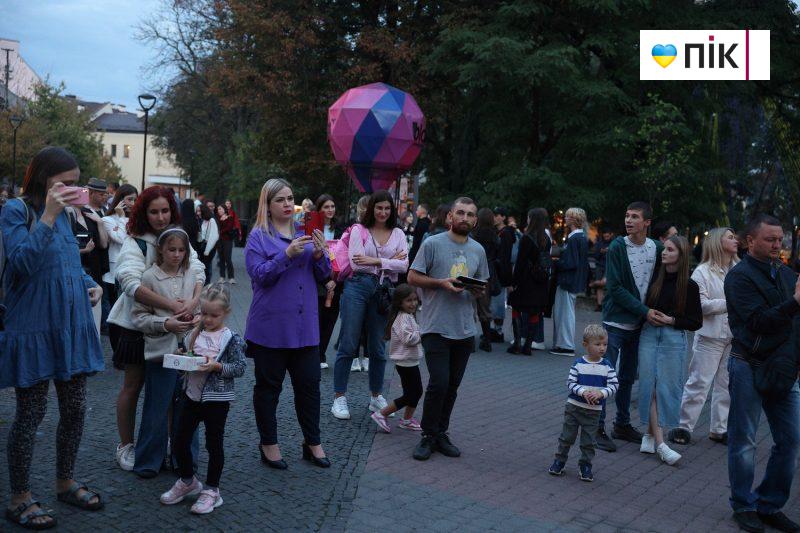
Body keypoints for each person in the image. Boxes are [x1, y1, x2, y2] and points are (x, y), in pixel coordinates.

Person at [1, 147, 104, 530]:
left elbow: (66, 263)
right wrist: (48, 214)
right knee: (30, 415)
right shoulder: (17, 211)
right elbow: (22, 264)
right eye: (67, 183)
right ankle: (19, 497)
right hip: (34, 328)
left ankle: (64, 482)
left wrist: (89, 283)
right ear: (44, 178)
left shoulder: (68, 217)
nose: (73, 190)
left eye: (76, 183)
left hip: (70, 326)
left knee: (75, 410)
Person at [107, 186, 205, 477]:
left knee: (174, 390)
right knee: (133, 386)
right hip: (136, 325)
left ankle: (174, 444)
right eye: (154, 211)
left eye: (164, 211)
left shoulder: (178, 236)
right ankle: (126, 445)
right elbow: (129, 283)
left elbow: (197, 269)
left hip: (175, 328)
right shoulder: (134, 242)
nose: (160, 217)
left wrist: (193, 300)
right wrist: (171, 306)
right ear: (143, 213)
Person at [245, 178, 331, 470]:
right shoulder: (258, 236)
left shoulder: (305, 233)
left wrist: (319, 254)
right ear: (267, 205)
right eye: (279, 199)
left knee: (309, 386)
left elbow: (324, 274)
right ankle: (268, 443)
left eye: (289, 198)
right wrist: (286, 255)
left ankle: (312, 442)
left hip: (305, 325)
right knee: (269, 387)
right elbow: (259, 276)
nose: (286, 204)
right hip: (271, 326)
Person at [724, 214, 800, 533]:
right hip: (747, 364)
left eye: (780, 239)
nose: (777, 244)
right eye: (770, 239)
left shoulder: (786, 273)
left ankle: (769, 503)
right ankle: (744, 505)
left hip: (782, 368)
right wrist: (795, 302)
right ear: (750, 242)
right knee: (744, 440)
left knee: (791, 439)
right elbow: (757, 322)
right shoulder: (739, 277)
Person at [408, 197, 489, 460]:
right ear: (450, 218)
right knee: (439, 383)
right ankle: (427, 436)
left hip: (465, 329)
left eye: (470, 214)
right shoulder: (432, 243)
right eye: (460, 213)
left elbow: (483, 286)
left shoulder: (478, 250)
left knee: (452, 385)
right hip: (436, 326)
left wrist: (478, 291)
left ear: (475, 221)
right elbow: (412, 276)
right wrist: (442, 283)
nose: (465, 218)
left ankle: (441, 433)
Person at [159, 282, 246, 515]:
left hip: (217, 400)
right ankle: (188, 481)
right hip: (191, 395)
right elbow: (187, 357)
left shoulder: (231, 338)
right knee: (179, 439)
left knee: (213, 443)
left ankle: (212, 490)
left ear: (226, 313)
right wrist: (179, 357)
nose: (208, 319)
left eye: (214, 315)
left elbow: (240, 367)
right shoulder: (194, 333)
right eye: (204, 313)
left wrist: (217, 366)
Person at [331, 190, 409, 420]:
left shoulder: (398, 233)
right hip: (357, 287)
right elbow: (357, 264)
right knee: (349, 342)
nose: (383, 212)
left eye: (387, 208)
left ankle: (376, 396)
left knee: (377, 347)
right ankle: (339, 398)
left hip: (383, 291)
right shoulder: (359, 230)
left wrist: (376, 261)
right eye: (379, 208)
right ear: (371, 209)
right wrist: (390, 261)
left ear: (392, 210)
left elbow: (404, 265)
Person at [596, 201, 663, 452]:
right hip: (615, 322)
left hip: (639, 326)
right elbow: (614, 288)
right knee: (605, 376)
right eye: (626, 215)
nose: (628, 220)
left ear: (647, 223)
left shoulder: (656, 248)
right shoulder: (617, 247)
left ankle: (621, 424)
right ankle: (597, 427)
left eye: (635, 216)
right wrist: (645, 311)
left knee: (626, 377)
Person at [669, 228, 738, 446]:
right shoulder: (702, 272)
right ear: (718, 242)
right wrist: (731, 304)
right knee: (699, 382)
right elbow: (700, 305)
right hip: (710, 336)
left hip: (733, 336)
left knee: (726, 385)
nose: (735, 240)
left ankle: (719, 429)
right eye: (730, 237)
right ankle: (683, 426)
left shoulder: (738, 269)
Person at [637, 235, 702, 466]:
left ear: (681, 256)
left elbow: (696, 322)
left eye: (670, 250)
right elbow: (642, 304)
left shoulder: (690, 286)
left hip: (674, 338)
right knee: (649, 384)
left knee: (665, 387)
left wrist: (672, 320)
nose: (664, 253)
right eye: (664, 249)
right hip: (649, 334)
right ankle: (661, 444)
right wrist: (649, 314)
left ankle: (650, 434)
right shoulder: (655, 277)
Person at [548, 325, 618, 482]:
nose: (602, 348)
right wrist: (583, 392)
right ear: (586, 345)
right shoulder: (578, 364)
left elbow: (614, 385)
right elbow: (570, 383)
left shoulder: (607, 366)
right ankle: (559, 460)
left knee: (589, 441)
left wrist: (601, 393)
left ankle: (585, 465)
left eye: (605, 344)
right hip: (574, 407)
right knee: (566, 437)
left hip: (594, 411)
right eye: (597, 344)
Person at [370, 284, 424, 433]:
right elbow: (408, 339)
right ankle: (382, 413)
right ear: (400, 302)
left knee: (416, 392)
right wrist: (423, 332)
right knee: (412, 393)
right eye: (409, 300)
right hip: (405, 362)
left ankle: (406, 420)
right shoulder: (402, 318)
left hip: (410, 360)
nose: (413, 303)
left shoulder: (408, 316)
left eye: (415, 300)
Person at [508, 208, 551, 355]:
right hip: (540, 282)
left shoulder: (526, 238)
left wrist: (513, 283)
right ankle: (528, 346)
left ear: (532, 219)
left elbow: (520, 263)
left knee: (516, 309)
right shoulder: (547, 238)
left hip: (525, 281)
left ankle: (517, 344)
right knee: (534, 312)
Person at [102, 184, 138, 352]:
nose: (133, 203)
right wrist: (122, 217)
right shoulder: (108, 220)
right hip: (114, 271)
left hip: (134, 270)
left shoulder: (138, 221)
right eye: (129, 199)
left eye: (135, 199)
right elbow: (122, 239)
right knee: (116, 314)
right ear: (120, 201)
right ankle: (117, 352)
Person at [550, 207, 590, 356]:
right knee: (566, 313)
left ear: (574, 219)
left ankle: (565, 345)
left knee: (564, 314)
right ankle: (564, 344)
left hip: (567, 281)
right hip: (573, 281)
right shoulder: (581, 237)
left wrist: (555, 262)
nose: (565, 219)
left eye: (567, 217)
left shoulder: (574, 239)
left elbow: (570, 263)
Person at [315, 194, 343, 369]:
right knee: (317, 318)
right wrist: (325, 279)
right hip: (318, 281)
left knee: (330, 319)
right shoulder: (314, 230)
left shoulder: (341, 229)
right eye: (326, 207)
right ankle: (314, 354)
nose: (330, 210)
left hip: (337, 281)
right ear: (319, 210)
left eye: (332, 206)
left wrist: (335, 279)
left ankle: (322, 354)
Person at [470, 207, 501, 352]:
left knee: (469, 307)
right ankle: (487, 340)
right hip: (487, 274)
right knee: (484, 308)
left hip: (472, 272)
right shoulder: (495, 236)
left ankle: (469, 342)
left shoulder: (473, 235)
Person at [590, 227, 615, 312]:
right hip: (599, 266)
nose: (606, 235)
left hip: (609, 266)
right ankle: (600, 305)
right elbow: (595, 256)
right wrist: (601, 252)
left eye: (607, 233)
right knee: (599, 287)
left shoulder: (614, 243)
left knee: (604, 283)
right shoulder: (599, 243)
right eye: (604, 234)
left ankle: (592, 284)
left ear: (611, 234)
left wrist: (609, 252)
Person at [197, 204, 219, 284]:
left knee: (207, 268)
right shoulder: (203, 220)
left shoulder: (211, 220)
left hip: (208, 248)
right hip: (203, 247)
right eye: (197, 211)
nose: (198, 213)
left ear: (204, 211)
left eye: (199, 211)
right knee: (204, 267)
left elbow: (214, 236)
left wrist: (207, 250)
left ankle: (207, 285)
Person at [216, 205, 237, 283]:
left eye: (220, 209)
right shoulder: (217, 218)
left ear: (224, 209)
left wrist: (220, 232)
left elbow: (229, 228)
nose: (219, 210)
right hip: (219, 240)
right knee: (221, 259)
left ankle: (231, 277)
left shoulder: (230, 218)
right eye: (218, 209)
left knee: (228, 258)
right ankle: (222, 277)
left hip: (227, 240)